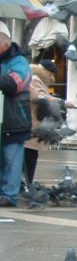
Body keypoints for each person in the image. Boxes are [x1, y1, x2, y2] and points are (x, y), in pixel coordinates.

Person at [23, 60, 76, 186]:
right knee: (29, 157)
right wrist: (62, 102)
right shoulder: (35, 79)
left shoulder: (36, 79)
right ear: (46, 72)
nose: (52, 78)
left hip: (35, 124)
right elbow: (39, 96)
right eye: (51, 74)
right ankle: (25, 185)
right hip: (33, 124)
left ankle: (26, 184)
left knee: (30, 156)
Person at [0, 21, 32, 207]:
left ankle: (9, 195)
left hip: (14, 119)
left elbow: (14, 84)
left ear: (4, 45)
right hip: (2, 119)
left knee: (11, 159)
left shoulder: (20, 62)